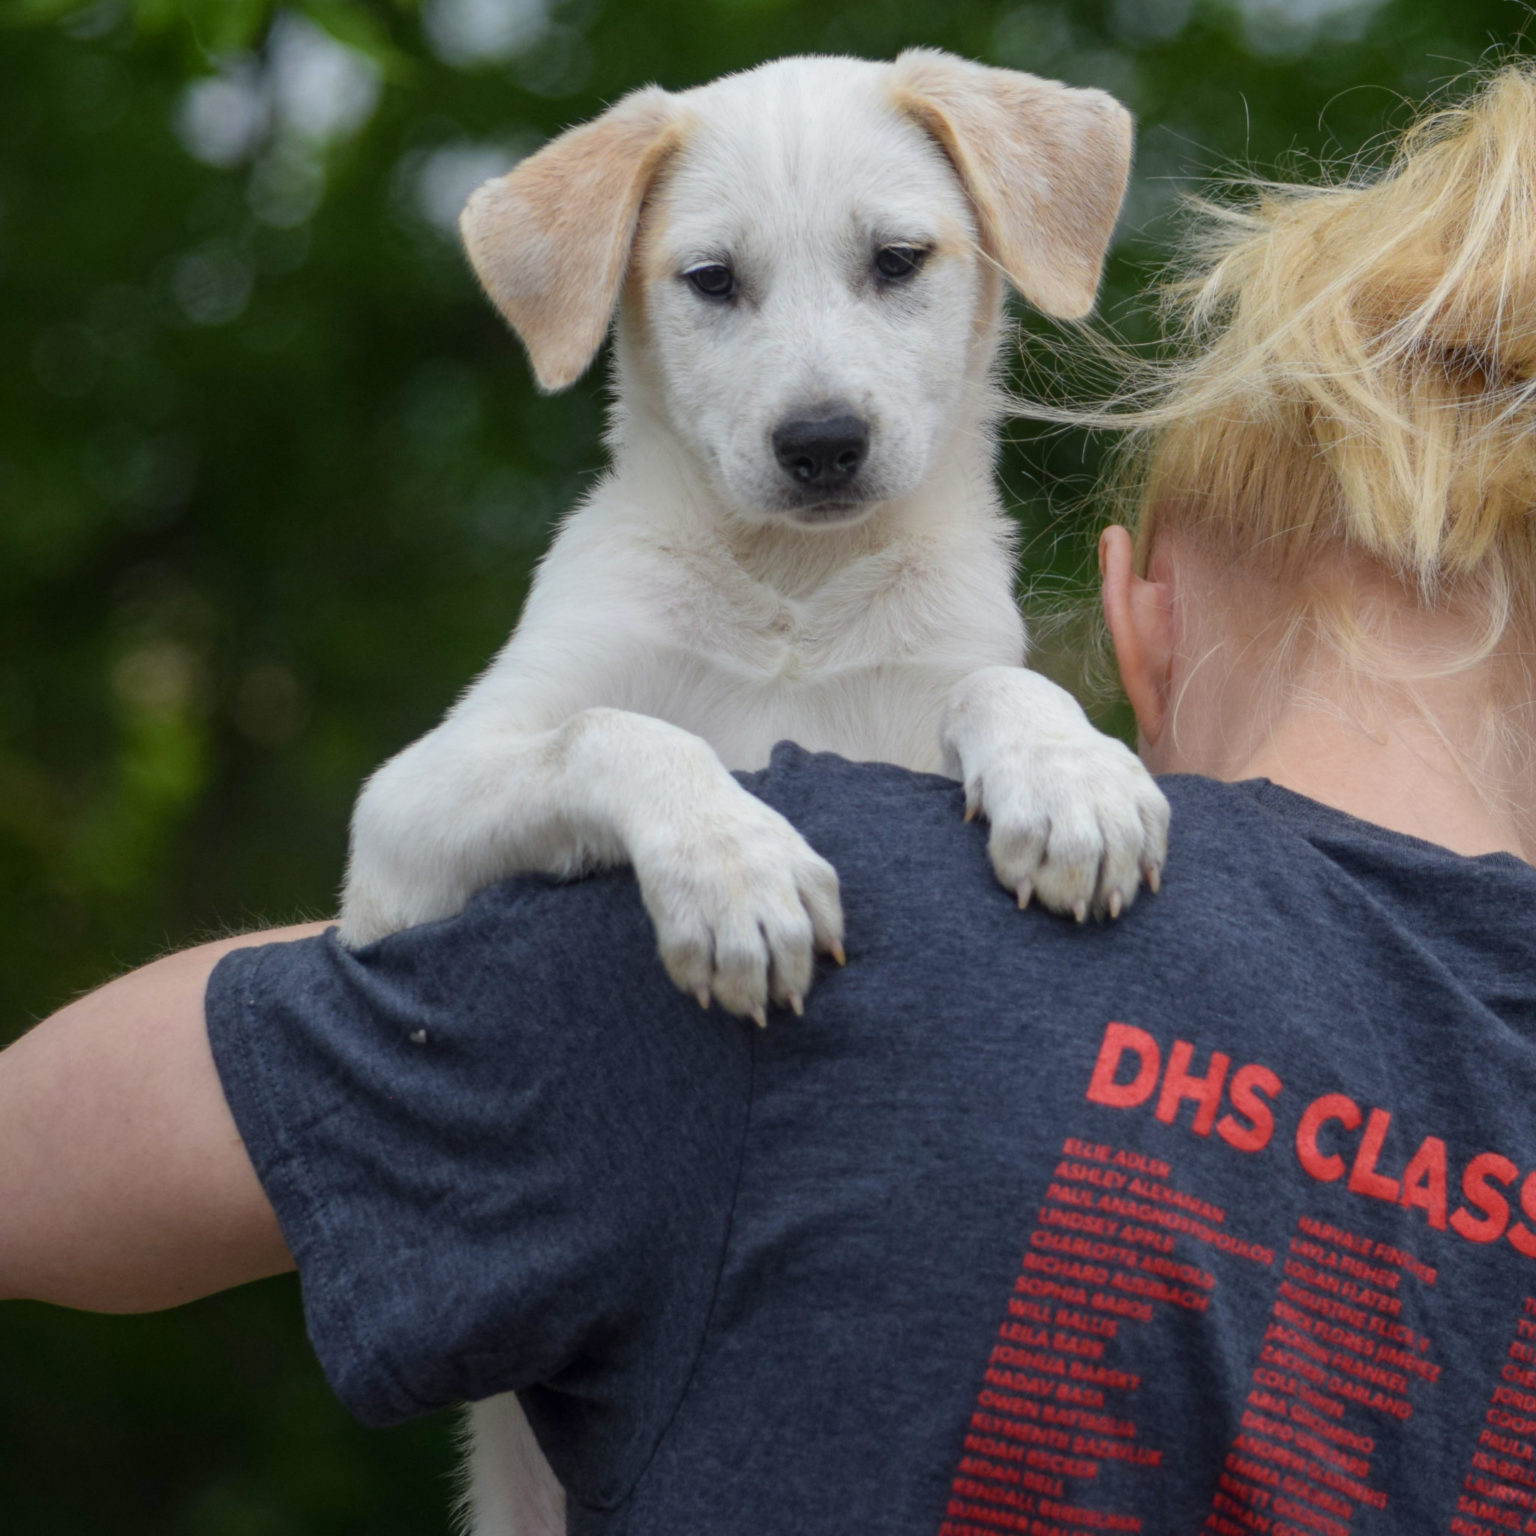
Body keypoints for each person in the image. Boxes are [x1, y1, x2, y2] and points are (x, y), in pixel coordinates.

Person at [4, 65, 1536, 1536]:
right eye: (717, 284)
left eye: (893, 266)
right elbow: (410, 832)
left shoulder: (968, 660)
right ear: (613, 290)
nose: (821, 393)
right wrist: (644, 777)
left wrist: (1025, 712)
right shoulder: (630, 591)